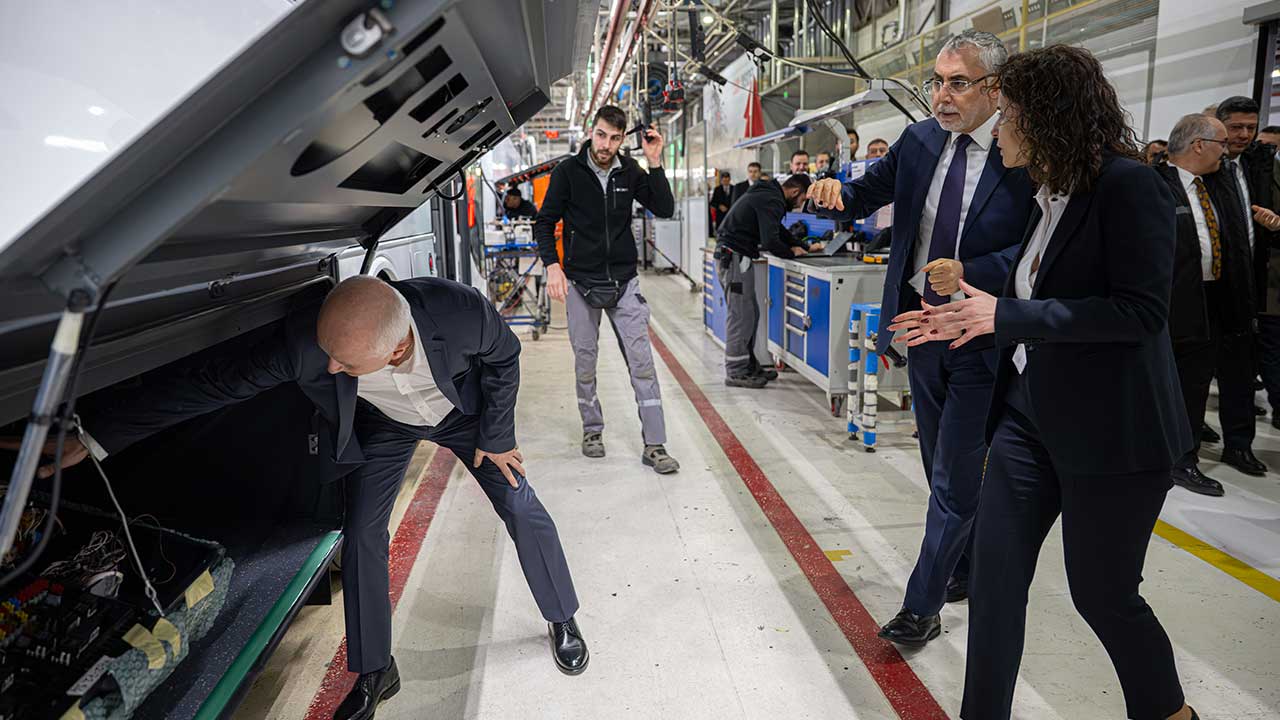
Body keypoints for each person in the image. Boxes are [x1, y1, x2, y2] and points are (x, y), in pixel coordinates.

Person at [41, 276, 588, 719]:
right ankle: (376, 671)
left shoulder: (459, 311)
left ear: (397, 347)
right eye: (329, 357)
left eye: (345, 365)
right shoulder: (315, 344)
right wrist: (94, 435)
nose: (330, 369)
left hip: (462, 417)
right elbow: (210, 383)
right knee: (362, 534)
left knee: (519, 502)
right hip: (387, 427)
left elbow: (506, 355)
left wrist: (498, 437)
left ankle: (561, 617)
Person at [910, 45, 1199, 720]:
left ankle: (1171, 714)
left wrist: (1005, 313)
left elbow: (1139, 311)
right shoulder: (1046, 193)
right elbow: (1047, 284)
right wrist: (980, 308)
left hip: (1115, 434)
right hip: (1028, 422)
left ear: (1046, 119)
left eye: (1007, 112)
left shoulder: (1129, 186)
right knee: (995, 580)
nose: (998, 126)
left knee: (1103, 596)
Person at [807, 29, 1034, 648]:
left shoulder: (1022, 153)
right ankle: (965, 565)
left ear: (994, 89)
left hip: (982, 331)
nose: (941, 95)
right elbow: (865, 194)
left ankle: (921, 605)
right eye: (936, 81)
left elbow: (1041, 247)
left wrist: (974, 273)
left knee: (958, 470)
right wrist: (834, 195)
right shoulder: (920, 139)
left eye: (957, 82)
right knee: (941, 464)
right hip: (920, 327)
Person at [533, 105, 680, 474]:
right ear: (591, 131)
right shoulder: (568, 171)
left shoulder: (629, 171)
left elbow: (663, 207)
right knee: (585, 362)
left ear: (622, 138)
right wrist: (553, 265)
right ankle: (592, 430)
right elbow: (545, 221)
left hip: (624, 281)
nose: (606, 145)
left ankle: (655, 444)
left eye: (615, 138)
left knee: (642, 364)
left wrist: (655, 161)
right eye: (601, 135)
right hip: (581, 283)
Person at [1158, 114, 1237, 498]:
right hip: (1167, 304)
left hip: (1209, 301)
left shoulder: (1216, 187)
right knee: (1161, 384)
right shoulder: (1155, 184)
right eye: (1222, 141)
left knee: (1195, 384)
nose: (1229, 149)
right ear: (1199, 144)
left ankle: (1183, 458)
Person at [1210, 96, 1280, 475]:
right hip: (1210, 284)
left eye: (1250, 128)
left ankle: (1239, 445)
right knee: (1198, 370)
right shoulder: (1203, 166)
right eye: (1236, 127)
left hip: (1252, 284)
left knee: (1240, 372)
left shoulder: (1259, 165)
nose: (1243, 135)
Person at [714, 174, 821, 388]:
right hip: (734, 258)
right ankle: (735, 371)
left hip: (737, 257)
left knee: (750, 313)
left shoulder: (768, 194)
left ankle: (749, 366)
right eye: (801, 201)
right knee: (741, 315)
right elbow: (770, 240)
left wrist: (804, 246)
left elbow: (777, 230)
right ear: (795, 192)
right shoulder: (772, 199)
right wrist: (791, 252)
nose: (800, 207)